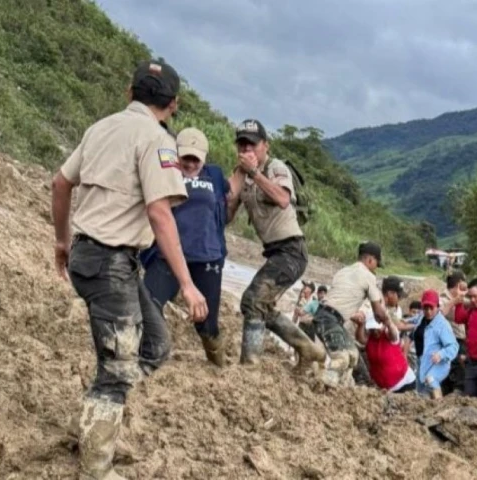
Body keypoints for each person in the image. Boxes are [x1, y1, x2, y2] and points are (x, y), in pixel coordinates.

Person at [50, 59, 208, 480]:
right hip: (109, 263)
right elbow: (160, 212)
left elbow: (60, 183)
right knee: (118, 370)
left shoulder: (100, 128)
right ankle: (96, 467)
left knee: (156, 343)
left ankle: (98, 411)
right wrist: (188, 285)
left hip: (92, 257)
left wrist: (62, 242)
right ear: (173, 104)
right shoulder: (157, 140)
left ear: (129, 92)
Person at [226, 119, 326, 368]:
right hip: (275, 253)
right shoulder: (242, 174)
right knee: (260, 304)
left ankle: (250, 364)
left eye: (252, 144)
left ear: (265, 146)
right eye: (242, 145)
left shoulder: (275, 167)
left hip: (292, 250)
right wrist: (235, 183)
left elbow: (282, 198)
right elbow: (227, 215)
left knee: (252, 300)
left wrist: (254, 173)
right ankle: (307, 348)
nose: (247, 150)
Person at [141, 127, 231, 367]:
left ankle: (218, 365)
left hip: (207, 258)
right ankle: (149, 355)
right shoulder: (164, 171)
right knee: (147, 303)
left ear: (204, 158)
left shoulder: (214, 175)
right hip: (168, 255)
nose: (190, 164)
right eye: (185, 158)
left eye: (195, 159)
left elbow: (229, 201)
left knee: (206, 325)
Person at [313, 241, 391, 387]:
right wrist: (388, 320)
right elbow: (378, 313)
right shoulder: (369, 276)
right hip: (329, 319)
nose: (376, 269)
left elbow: (340, 297)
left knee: (354, 355)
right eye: (376, 264)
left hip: (325, 315)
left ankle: (342, 385)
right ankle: (321, 383)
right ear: (370, 260)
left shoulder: (342, 271)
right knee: (342, 358)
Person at [352, 282, 416, 394]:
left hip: (405, 384)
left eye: (377, 328)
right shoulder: (370, 338)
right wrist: (361, 325)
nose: (375, 331)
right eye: (372, 328)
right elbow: (360, 338)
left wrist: (387, 321)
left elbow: (394, 331)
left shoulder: (389, 335)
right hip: (386, 388)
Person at [411, 290, 459, 400]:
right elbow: (406, 322)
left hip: (439, 363)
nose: (428, 311)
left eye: (431, 308)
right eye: (425, 308)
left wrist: (441, 354)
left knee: (431, 379)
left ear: (437, 307)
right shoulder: (420, 318)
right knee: (422, 394)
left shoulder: (442, 325)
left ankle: (439, 405)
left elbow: (454, 346)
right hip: (422, 362)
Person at [439, 270, 468, 394]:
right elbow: (438, 315)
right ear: (458, 284)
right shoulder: (442, 299)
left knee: (459, 367)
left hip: (461, 339)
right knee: (453, 367)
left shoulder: (463, 299)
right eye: (464, 284)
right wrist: (454, 302)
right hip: (450, 340)